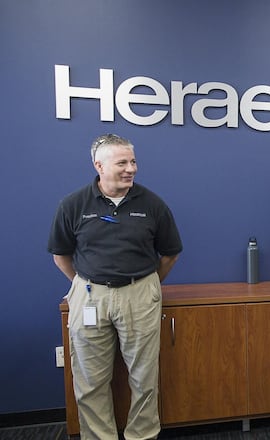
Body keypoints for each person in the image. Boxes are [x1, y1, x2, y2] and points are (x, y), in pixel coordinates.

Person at [48, 134, 183, 440]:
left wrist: (146, 285)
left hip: (139, 294)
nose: (130, 168)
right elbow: (60, 254)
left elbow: (170, 252)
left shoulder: (152, 204)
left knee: (144, 377)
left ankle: (142, 435)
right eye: (122, 162)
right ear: (99, 165)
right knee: (89, 379)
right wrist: (85, 285)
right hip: (90, 295)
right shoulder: (73, 205)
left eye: (133, 161)